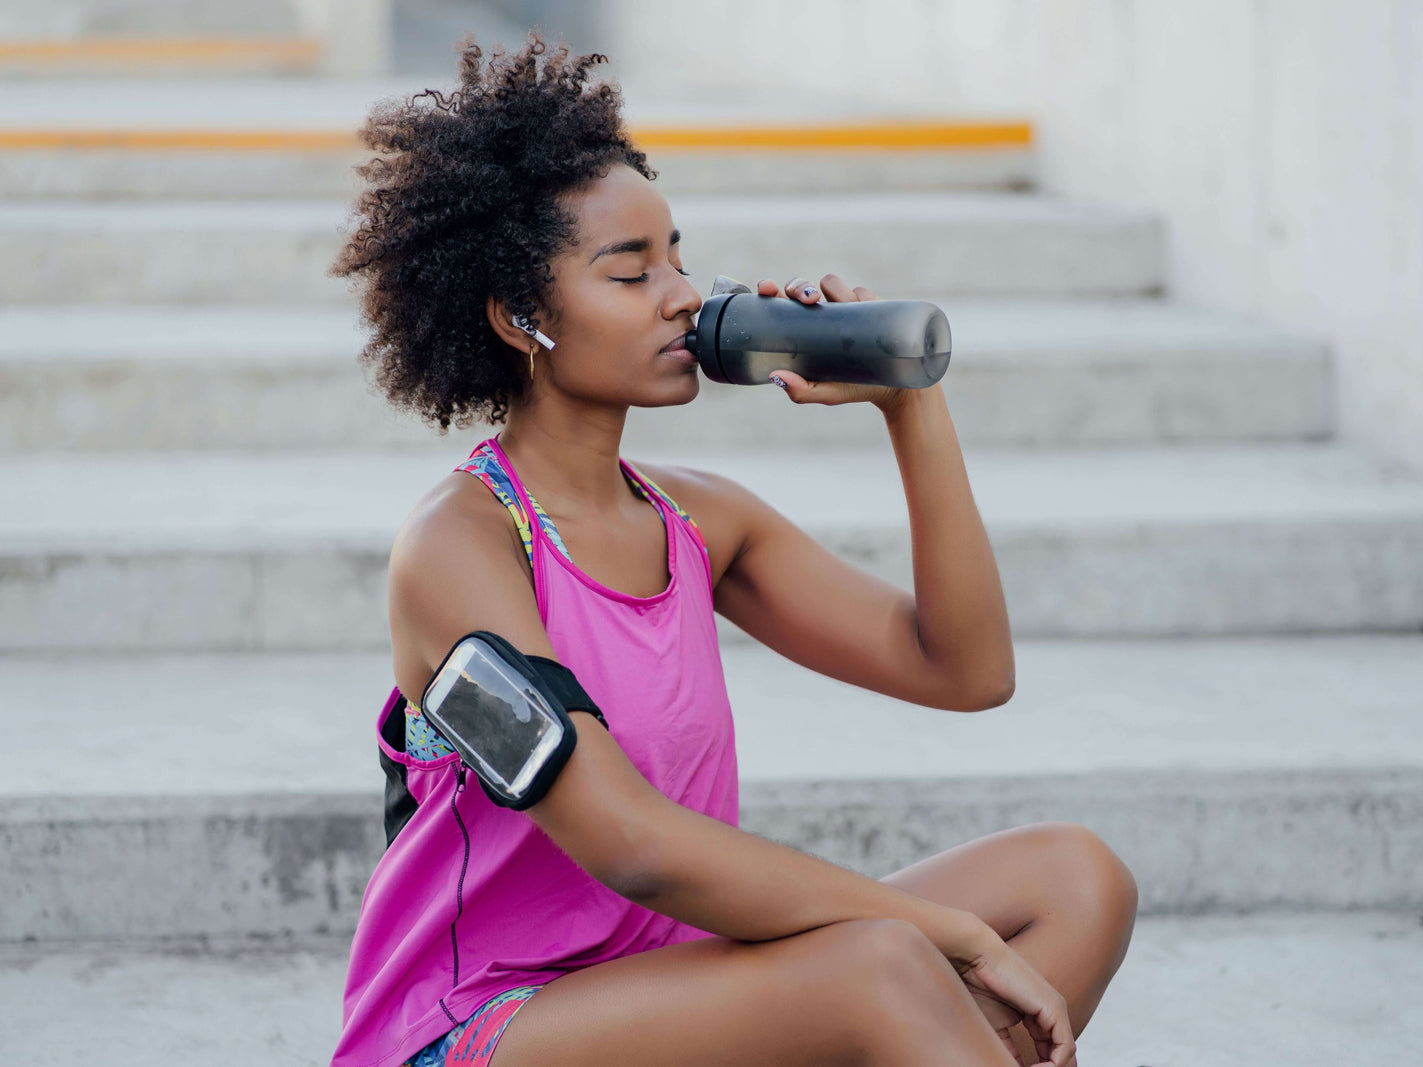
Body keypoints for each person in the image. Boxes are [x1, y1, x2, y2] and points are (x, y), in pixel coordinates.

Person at [327, 30, 1137, 1067]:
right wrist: (951, 931)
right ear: (521, 315)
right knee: (883, 966)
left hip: (676, 991)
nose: (683, 294)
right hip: (480, 1024)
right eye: (631, 273)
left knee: (1075, 876)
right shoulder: (459, 551)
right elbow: (630, 842)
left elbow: (967, 669)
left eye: (677, 257)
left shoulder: (700, 520)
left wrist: (910, 409)